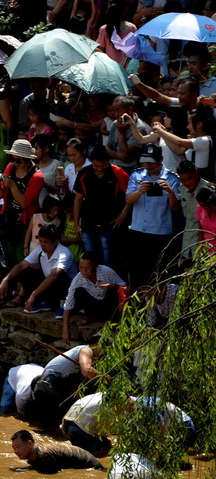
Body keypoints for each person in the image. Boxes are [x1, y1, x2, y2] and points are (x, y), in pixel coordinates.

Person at [125, 143, 181, 287]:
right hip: (138, 231)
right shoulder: (136, 175)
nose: (148, 166)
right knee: (137, 272)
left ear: (161, 159)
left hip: (160, 233)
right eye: (145, 162)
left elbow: (175, 208)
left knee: (158, 273)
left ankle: (159, 306)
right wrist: (140, 191)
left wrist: (170, 192)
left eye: (152, 162)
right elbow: (128, 200)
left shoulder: (172, 178)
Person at [0, 224, 77, 314]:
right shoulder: (40, 249)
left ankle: (64, 304)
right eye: (40, 241)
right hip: (50, 286)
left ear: (55, 242)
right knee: (27, 271)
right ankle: (45, 302)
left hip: (68, 289)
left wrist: (34, 294)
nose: (42, 245)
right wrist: (5, 280)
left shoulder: (64, 253)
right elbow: (22, 265)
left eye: (45, 242)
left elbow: (53, 276)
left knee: (58, 275)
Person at [61, 252, 126, 344]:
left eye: (87, 268)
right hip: (93, 304)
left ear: (95, 266)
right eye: (81, 267)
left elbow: (124, 287)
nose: (83, 271)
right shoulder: (78, 279)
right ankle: (91, 315)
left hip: (108, 303)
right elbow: (68, 305)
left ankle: (113, 320)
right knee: (78, 291)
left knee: (114, 291)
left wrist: (112, 286)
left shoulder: (106, 271)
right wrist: (65, 329)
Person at [9, 429, 105, 473]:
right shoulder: (36, 453)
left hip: (92, 466)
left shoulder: (44, 455)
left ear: (30, 443)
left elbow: (51, 473)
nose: (16, 451)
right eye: (14, 448)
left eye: (18, 447)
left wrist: (26, 470)